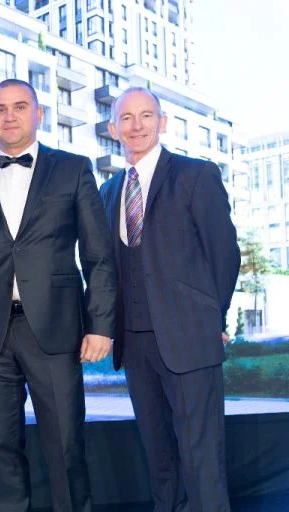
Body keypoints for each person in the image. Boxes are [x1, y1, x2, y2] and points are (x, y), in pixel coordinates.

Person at [0, 79, 117, 512]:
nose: (9, 116)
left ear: (39, 114)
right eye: (0, 109)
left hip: (56, 330)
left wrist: (101, 325)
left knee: (65, 446)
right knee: (0, 448)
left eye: (20, 106)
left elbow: (98, 255)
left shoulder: (74, 169)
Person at [99, 87, 240, 511]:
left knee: (202, 459)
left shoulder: (196, 175)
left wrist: (211, 319)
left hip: (190, 341)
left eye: (146, 115)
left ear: (162, 123)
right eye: (126, 118)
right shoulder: (108, 191)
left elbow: (224, 254)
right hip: (134, 345)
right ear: (113, 129)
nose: (136, 125)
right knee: (159, 459)